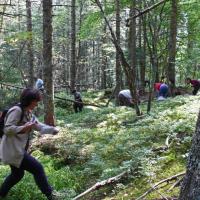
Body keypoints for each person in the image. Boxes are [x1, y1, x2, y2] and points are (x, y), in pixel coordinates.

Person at [0, 88, 62, 200]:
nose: (37, 104)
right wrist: (24, 127)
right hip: (12, 150)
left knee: (17, 175)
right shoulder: (17, 110)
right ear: (29, 100)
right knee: (38, 168)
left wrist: (53, 130)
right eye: (36, 101)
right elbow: (7, 129)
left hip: (17, 149)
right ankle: (51, 195)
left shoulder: (28, 112)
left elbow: (38, 126)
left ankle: (1, 194)